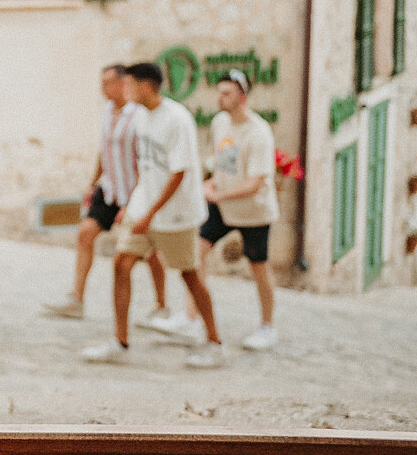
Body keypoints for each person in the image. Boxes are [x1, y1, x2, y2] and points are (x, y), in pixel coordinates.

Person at [83, 62, 224, 369]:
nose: (125, 89)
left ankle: (214, 342)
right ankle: (119, 342)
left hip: (177, 215)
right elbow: (142, 166)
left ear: (146, 86)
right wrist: (131, 206)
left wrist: (151, 213)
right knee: (122, 264)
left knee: (190, 276)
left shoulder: (177, 119)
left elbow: (178, 173)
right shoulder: (142, 118)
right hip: (143, 208)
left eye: (130, 84)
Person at [45, 63, 169, 325]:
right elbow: (104, 151)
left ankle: (162, 304)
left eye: (107, 82)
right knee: (85, 234)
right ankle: (76, 299)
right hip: (110, 188)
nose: (103, 88)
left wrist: (135, 200)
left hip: (133, 192)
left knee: (149, 251)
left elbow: (143, 160)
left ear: (123, 83)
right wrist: (92, 184)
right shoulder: (106, 112)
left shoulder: (138, 116)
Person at [198, 69, 280, 350]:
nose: (220, 98)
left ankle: (267, 326)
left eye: (227, 93)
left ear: (242, 97)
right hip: (223, 205)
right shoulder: (220, 123)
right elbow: (223, 163)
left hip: (253, 212)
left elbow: (255, 183)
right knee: (196, 251)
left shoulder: (259, 133)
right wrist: (210, 184)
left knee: (259, 268)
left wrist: (218, 194)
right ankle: (190, 316)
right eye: (219, 92)